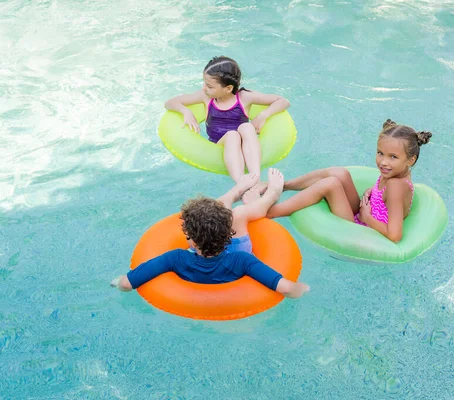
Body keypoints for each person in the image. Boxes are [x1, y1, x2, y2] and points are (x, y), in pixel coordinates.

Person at [111, 168, 309, 298]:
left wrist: (115, 282)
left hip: (204, 259)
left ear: (190, 239)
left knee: (221, 209)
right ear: (229, 234)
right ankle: (271, 194)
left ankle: (237, 191)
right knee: (238, 213)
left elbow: (126, 284)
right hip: (231, 255)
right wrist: (304, 289)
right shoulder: (242, 260)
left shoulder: (175, 259)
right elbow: (287, 288)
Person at [267, 120, 432, 243]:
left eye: (393, 157)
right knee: (340, 173)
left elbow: (395, 236)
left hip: (364, 229)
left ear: (410, 160)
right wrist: (373, 192)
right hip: (364, 215)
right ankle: (284, 186)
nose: (383, 162)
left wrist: (367, 218)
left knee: (331, 184)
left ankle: (271, 212)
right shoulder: (396, 173)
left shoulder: (396, 185)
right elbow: (386, 199)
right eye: (380, 153)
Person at [164, 56, 291, 203]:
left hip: (244, 140)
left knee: (246, 127)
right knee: (232, 135)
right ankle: (242, 182)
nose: (204, 88)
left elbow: (283, 101)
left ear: (228, 88)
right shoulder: (205, 97)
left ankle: (255, 178)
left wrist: (264, 115)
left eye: (209, 86)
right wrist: (185, 111)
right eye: (204, 83)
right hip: (221, 143)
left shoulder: (244, 97)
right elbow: (170, 103)